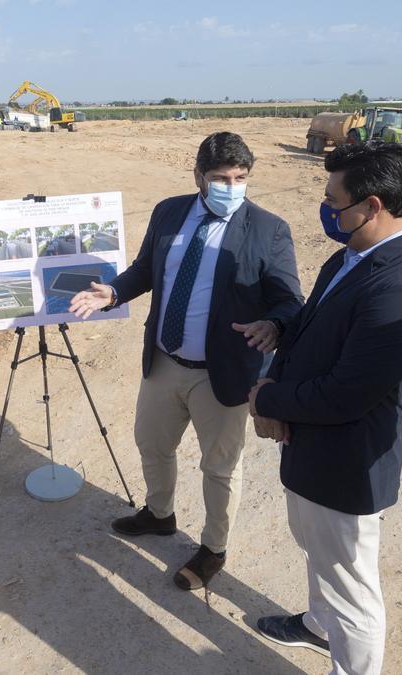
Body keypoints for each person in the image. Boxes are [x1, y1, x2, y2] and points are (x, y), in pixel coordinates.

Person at [70, 131, 303, 590]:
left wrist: (274, 326)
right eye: (220, 177)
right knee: (151, 444)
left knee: (220, 467)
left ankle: (214, 549)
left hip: (224, 374)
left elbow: (288, 299)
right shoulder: (168, 211)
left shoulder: (268, 229)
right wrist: (114, 291)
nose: (231, 186)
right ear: (198, 176)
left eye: (240, 178)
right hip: (164, 361)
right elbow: (146, 270)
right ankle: (160, 514)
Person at [250, 141, 402, 675]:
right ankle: (319, 626)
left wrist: (266, 398)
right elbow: (318, 322)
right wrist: (281, 337)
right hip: (311, 449)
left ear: (374, 205)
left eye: (334, 200)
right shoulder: (353, 256)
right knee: (322, 559)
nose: (327, 209)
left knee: (352, 590)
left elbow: (346, 394)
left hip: (345, 467)